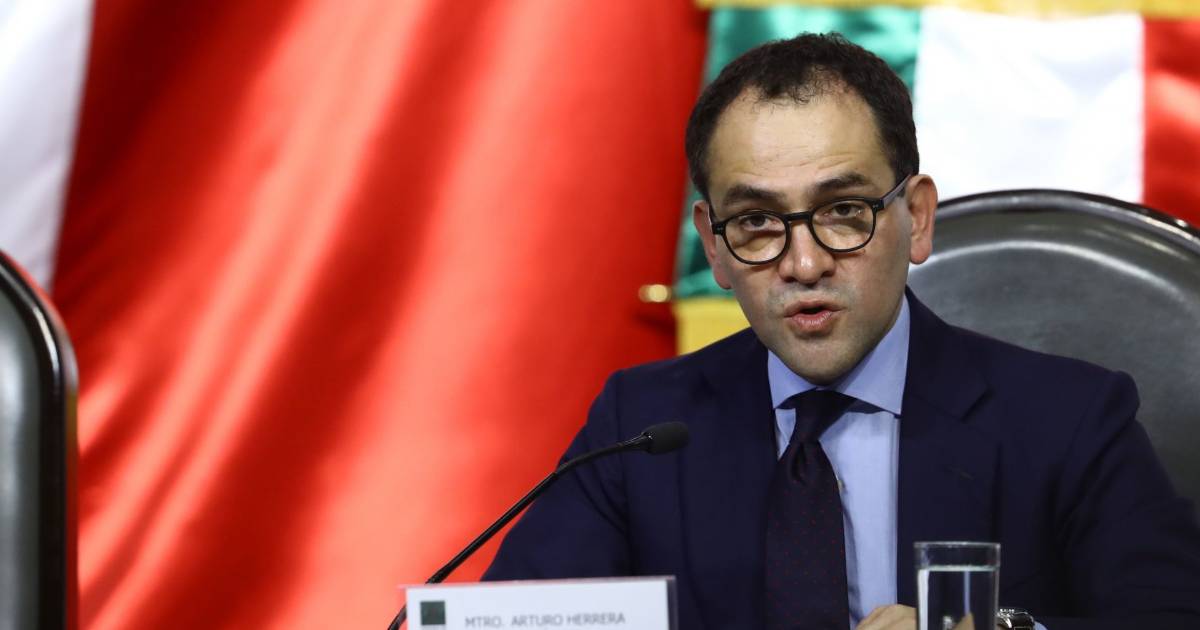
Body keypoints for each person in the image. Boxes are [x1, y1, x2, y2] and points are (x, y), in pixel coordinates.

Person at [483, 33, 1200, 630]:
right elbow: (522, 618)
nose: (804, 264)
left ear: (916, 218)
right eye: (757, 222)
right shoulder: (640, 426)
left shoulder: (1069, 420)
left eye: (844, 211)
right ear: (714, 247)